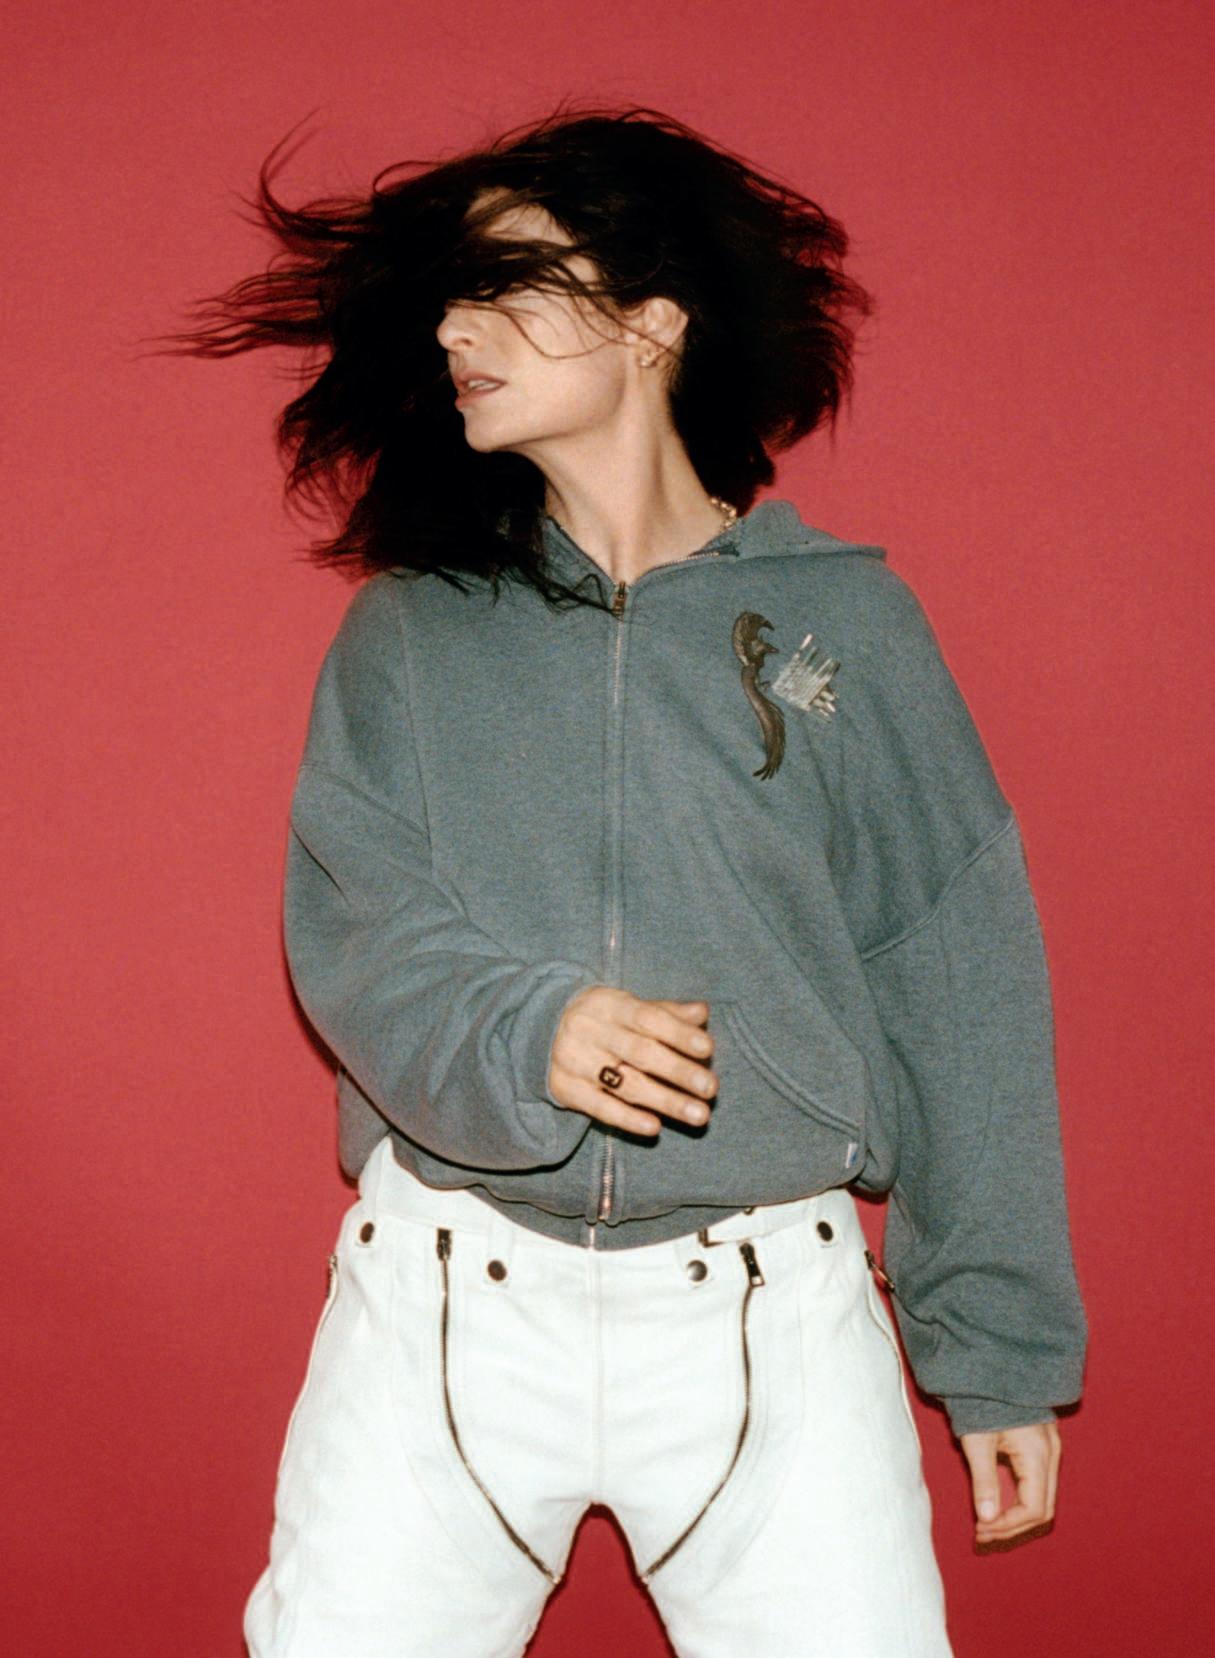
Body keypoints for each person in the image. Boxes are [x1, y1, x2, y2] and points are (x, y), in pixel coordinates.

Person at [157, 102, 1087, 1657]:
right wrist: (531, 1033)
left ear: (654, 321)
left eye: (504, 285)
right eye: (448, 300)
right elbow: (359, 928)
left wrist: (995, 1345)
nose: (453, 328)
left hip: (771, 1324)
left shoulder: (848, 627)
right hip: (448, 1306)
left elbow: (959, 976)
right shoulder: (412, 635)